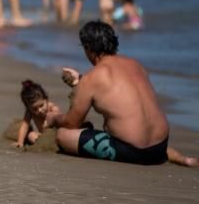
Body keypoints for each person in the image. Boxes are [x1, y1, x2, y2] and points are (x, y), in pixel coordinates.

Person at [48, 21, 196, 167]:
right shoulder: (136, 65)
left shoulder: (92, 78)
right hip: (160, 146)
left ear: (89, 49)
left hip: (135, 151)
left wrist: (54, 118)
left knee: (63, 135)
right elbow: (117, 91)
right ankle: (182, 159)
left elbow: (71, 124)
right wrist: (80, 80)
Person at [13, 80, 61, 148]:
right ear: (29, 108)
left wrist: (50, 119)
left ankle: (51, 143)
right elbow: (24, 126)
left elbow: (60, 122)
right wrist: (20, 142)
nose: (39, 110)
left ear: (46, 99)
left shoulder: (53, 108)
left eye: (41, 105)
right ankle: (43, 143)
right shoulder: (30, 112)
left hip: (55, 135)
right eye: (35, 109)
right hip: (42, 136)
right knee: (31, 135)